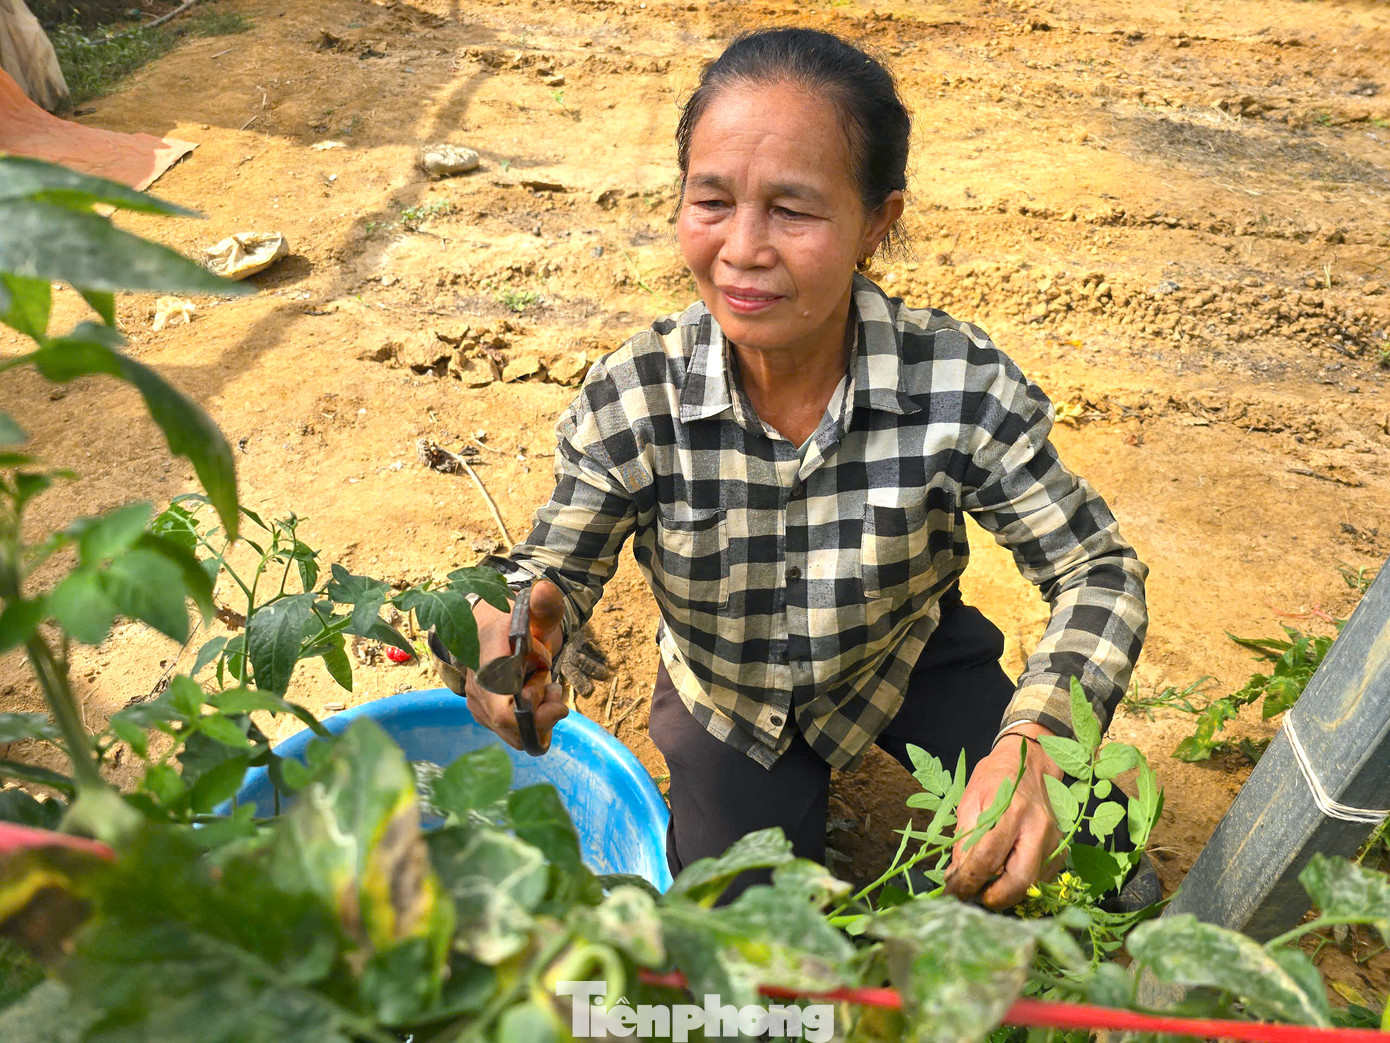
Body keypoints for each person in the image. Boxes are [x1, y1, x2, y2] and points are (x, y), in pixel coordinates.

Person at [458, 26, 1148, 909]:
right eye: (711, 201)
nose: (744, 248)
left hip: (900, 652)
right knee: (744, 931)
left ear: (876, 222)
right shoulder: (636, 397)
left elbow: (1097, 567)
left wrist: (1044, 733)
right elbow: (554, 569)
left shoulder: (959, 386)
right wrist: (524, 630)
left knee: (1105, 855)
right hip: (728, 699)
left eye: (794, 209)